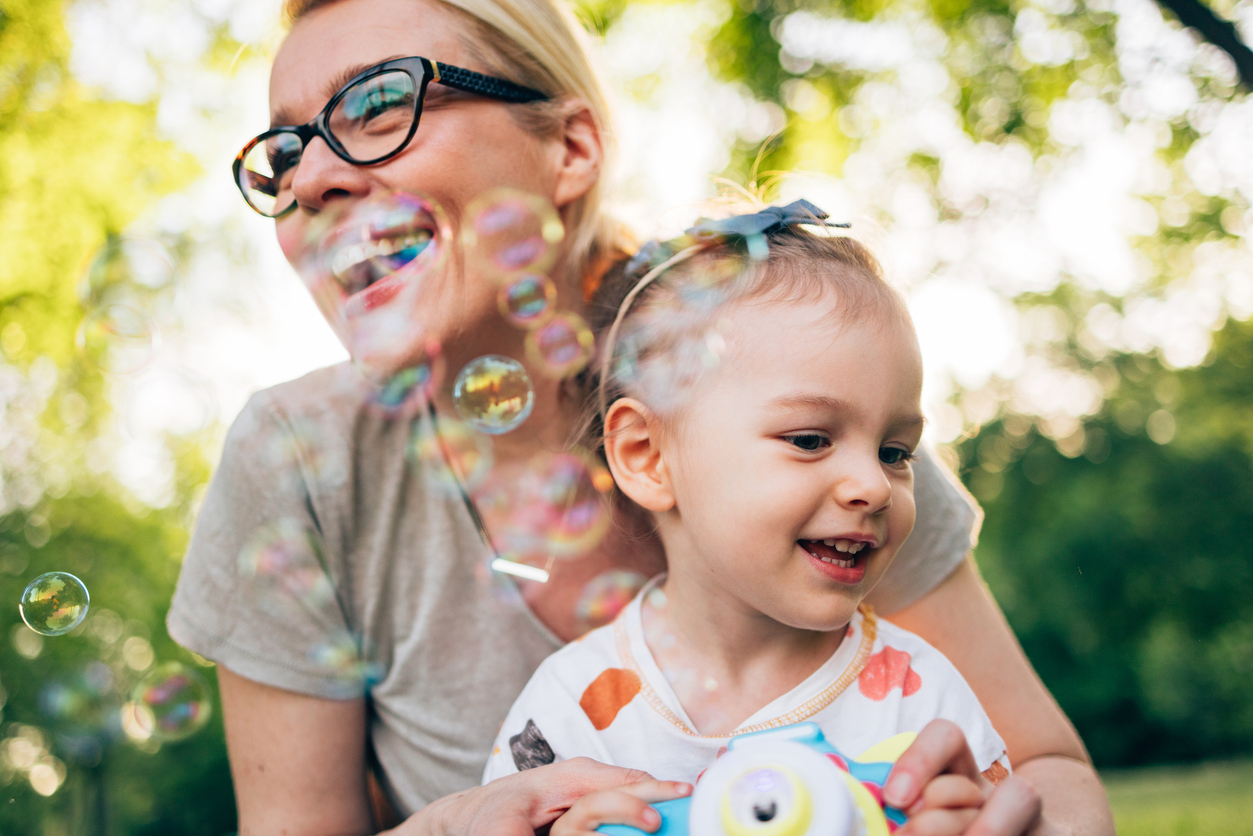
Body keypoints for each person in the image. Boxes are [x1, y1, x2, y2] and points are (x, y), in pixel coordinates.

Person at [166, 0, 1115, 833]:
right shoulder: (297, 461)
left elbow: (1047, 772)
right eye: (286, 152)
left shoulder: (788, 376)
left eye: (377, 104)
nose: (310, 181)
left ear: (569, 148)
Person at [482, 208, 1010, 836]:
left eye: (895, 453)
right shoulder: (573, 708)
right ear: (647, 458)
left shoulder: (918, 699)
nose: (873, 485)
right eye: (811, 439)